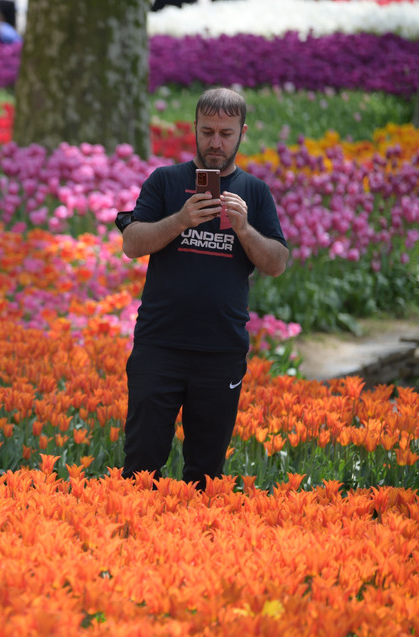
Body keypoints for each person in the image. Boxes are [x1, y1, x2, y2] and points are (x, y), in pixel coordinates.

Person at [120, 87, 289, 490]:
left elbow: (277, 264)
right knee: (141, 469)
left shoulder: (255, 192)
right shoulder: (164, 181)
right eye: (207, 131)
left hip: (221, 351)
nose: (216, 142)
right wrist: (181, 220)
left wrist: (244, 228)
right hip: (159, 345)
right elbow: (132, 244)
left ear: (242, 133)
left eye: (226, 134)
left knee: (206, 477)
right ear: (194, 128)